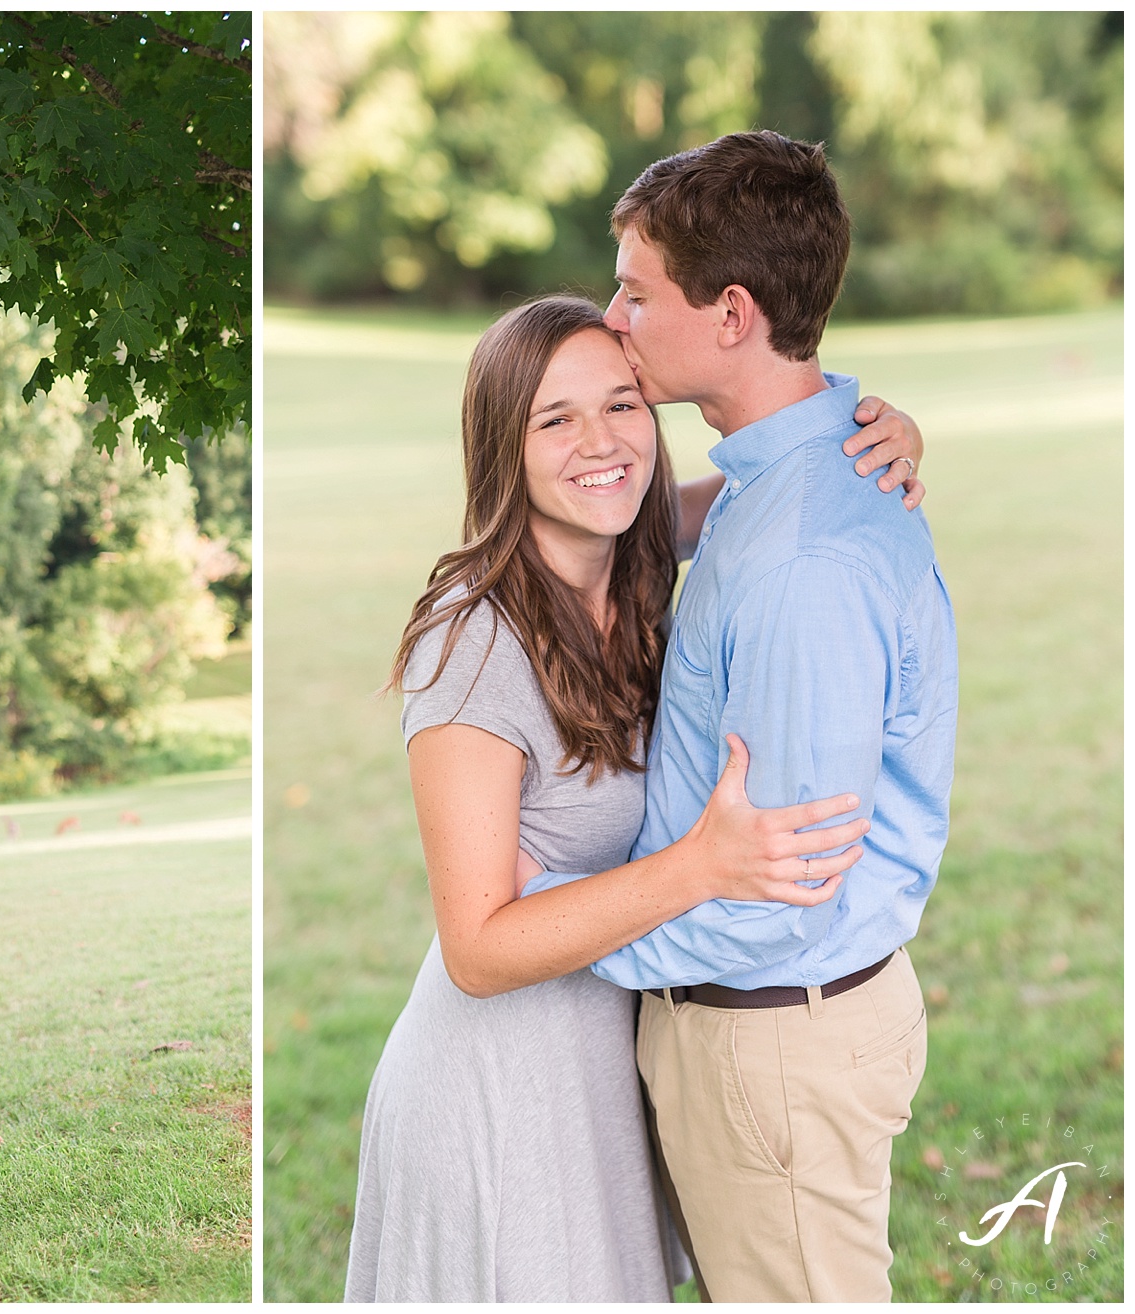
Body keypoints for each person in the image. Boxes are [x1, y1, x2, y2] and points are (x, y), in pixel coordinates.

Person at [343, 295, 928, 1301]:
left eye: (622, 405)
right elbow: (479, 948)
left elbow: (770, 479)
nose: (600, 443)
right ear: (502, 447)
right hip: (500, 1085)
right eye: (554, 419)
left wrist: (875, 431)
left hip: (609, 1063)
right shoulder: (470, 641)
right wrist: (701, 866)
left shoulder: (641, 557)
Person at [578, 130, 957, 1302]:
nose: (614, 317)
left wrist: (573, 942)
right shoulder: (779, 475)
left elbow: (781, 885)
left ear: (731, 313)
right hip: (762, 1033)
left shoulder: (803, 556)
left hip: (769, 1040)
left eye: (637, 294)